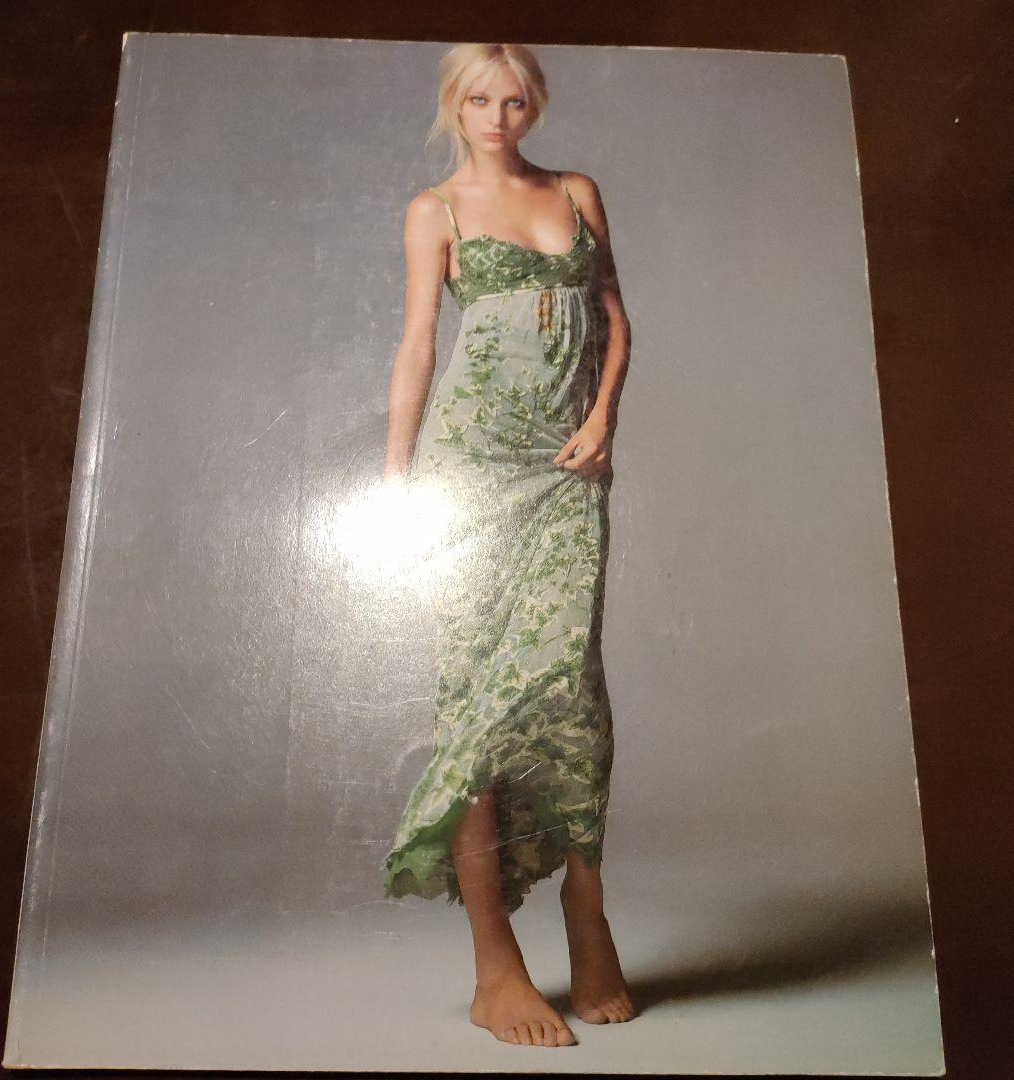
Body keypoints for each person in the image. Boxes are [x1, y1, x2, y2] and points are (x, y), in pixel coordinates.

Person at [381, 42, 634, 1047]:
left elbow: (614, 320)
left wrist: (604, 419)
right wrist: (396, 482)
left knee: (570, 688)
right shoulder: (434, 210)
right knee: (477, 701)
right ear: (456, 106)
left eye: (516, 100)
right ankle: (495, 963)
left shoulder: (576, 191)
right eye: (480, 99)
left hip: (565, 467)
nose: (498, 116)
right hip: (469, 468)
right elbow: (417, 346)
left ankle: (587, 913)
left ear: (536, 106)